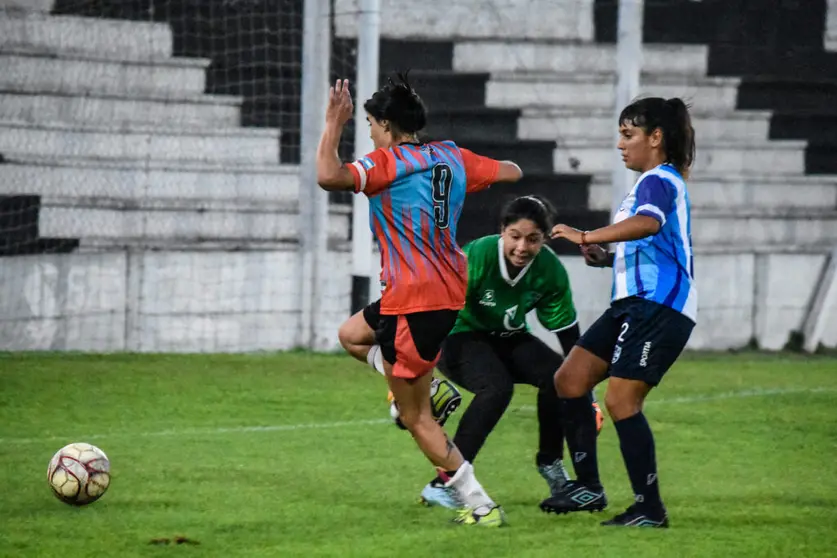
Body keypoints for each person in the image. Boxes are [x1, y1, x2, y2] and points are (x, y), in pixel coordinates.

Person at [316, 73, 523, 527]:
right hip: (443, 292)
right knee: (351, 335)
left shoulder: (384, 163)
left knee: (415, 419)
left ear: (387, 125)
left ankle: (480, 505)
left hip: (414, 298)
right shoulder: (451, 156)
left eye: (370, 123)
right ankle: (430, 385)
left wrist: (333, 122)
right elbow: (512, 170)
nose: (369, 131)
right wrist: (470, 177)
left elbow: (328, 175)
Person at [539, 97, 697, 528]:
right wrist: (609, 259)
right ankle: (589, 488)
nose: (620, 144)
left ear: (656, 138)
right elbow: (652, 244)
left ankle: (650, 508)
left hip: (658, 307)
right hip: (632, 304)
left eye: (628, 135)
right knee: (569, 380)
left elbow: (648, 225)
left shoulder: (658, 180)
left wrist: (585, 234)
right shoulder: (648, 184)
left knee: (621, 400)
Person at [414, 195, 604, 510]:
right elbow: (437, 310)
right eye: (515, 237)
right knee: (496, 388)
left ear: (545, 239)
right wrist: (423, 371)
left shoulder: (549, 270)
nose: (522, 247)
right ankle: (447, 482)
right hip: (458, 335)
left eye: (533, 239)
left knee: (560, 378)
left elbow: (570, 339)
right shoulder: (477, 255)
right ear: (502, 231)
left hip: (507, 336)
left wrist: (587, 393)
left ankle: (551, 465)